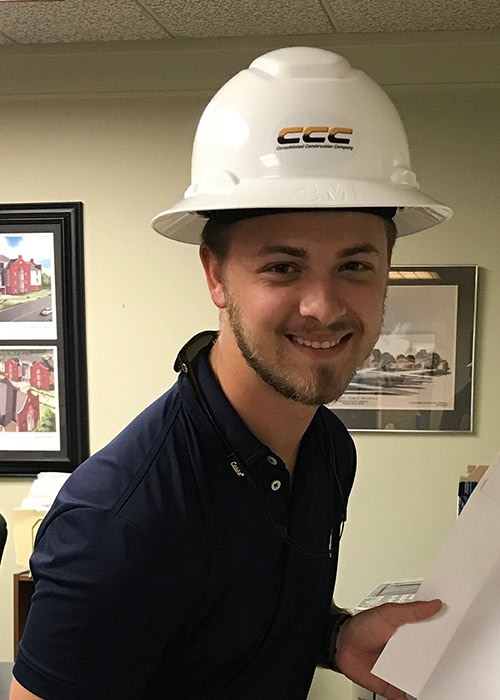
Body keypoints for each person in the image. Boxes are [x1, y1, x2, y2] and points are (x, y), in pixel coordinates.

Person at [11, 47, 451, 700]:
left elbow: (243, 625)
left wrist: (335, 637)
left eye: (355, 266)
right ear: (216, 275)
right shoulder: (121, 522)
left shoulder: (327, 448)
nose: (324, 307)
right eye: (282, 266)